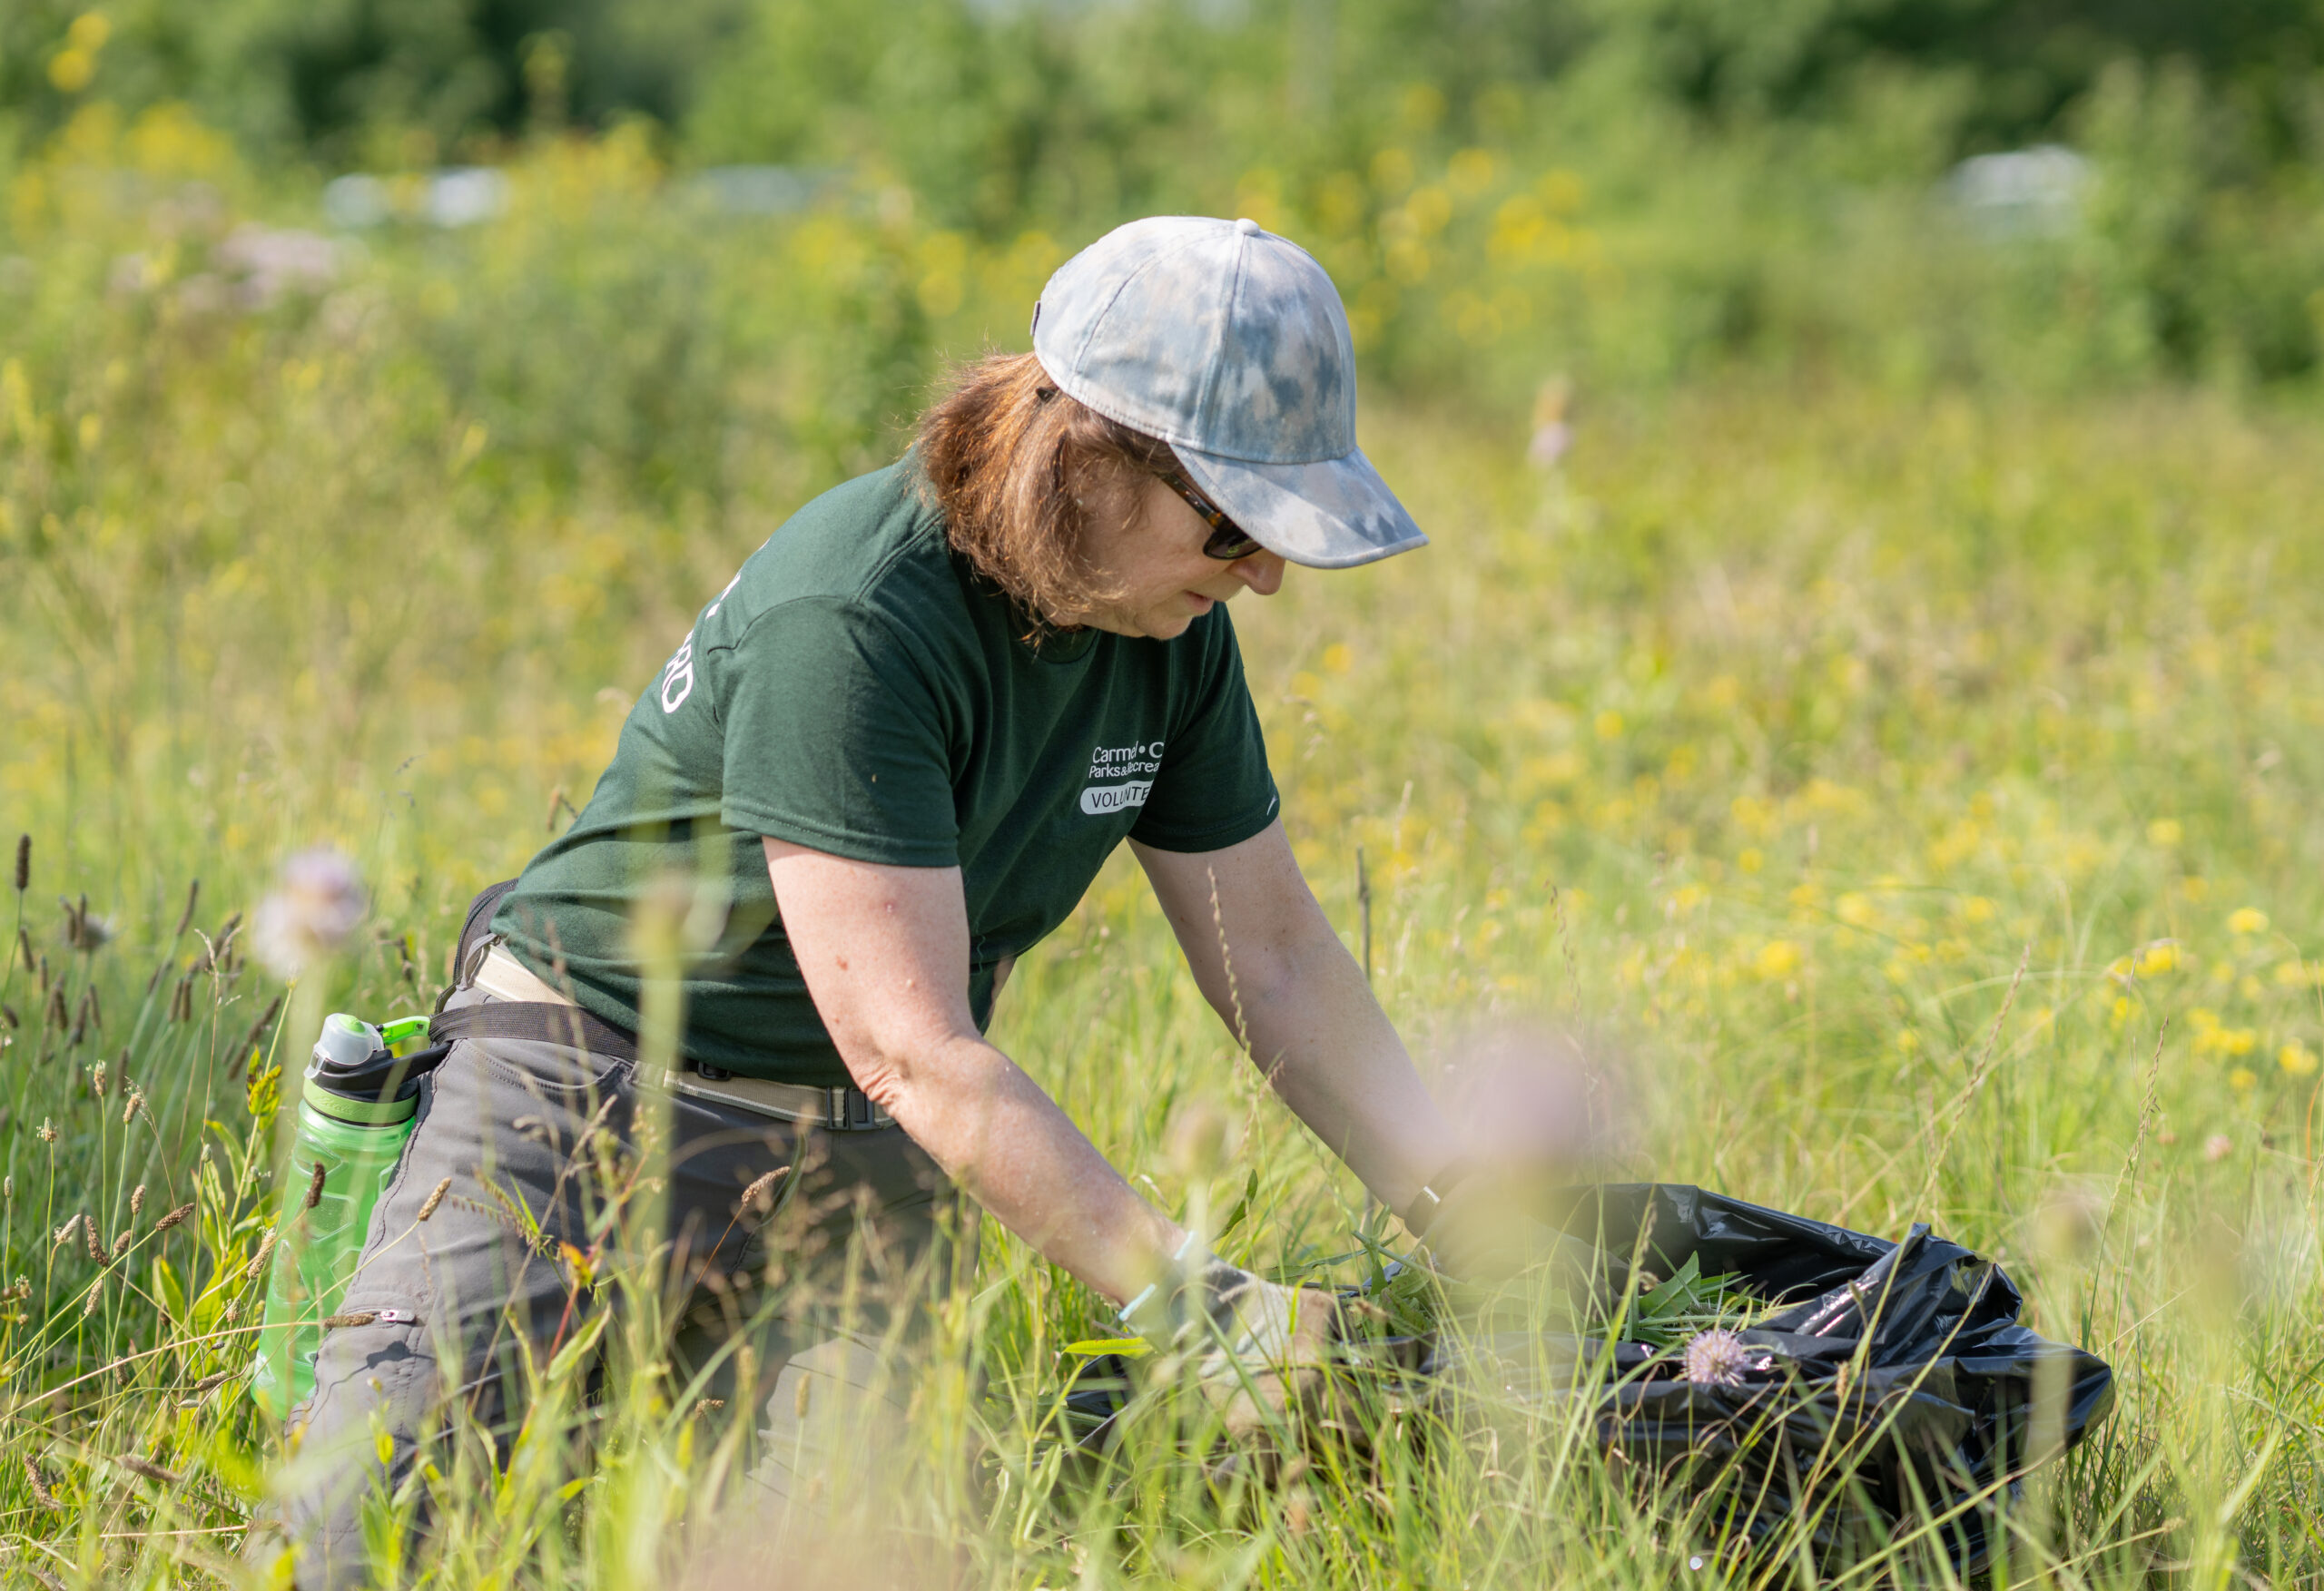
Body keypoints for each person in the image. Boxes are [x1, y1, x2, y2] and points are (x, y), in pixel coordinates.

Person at [281, 215, 1523, 1586]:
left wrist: (1476, 1214)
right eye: (1235, 522)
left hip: (852, 1151)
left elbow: (1274, 954)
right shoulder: (864, 612)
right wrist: (1200, 1304)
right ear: (1086, 451)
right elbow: (915, 1046)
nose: (1266, 574)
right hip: (580, 1089)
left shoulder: (1174, 630)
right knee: (362, 1543)